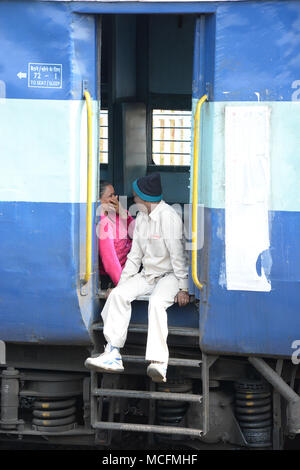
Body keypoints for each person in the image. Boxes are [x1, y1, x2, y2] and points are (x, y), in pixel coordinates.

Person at [85, 173, 189, 383]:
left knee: (157, 303)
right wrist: (120, 285)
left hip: (170, 276)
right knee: (119, 296)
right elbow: (134, 257)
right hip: (147, 274)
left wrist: (184, 287)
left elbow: (178, 257)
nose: (133, 200)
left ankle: (159, 362)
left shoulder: (169, 217)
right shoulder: (142, 218)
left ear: (146, 198)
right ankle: (113, 353)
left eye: (136, 197)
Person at [98, 181, 134, 289]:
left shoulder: (116, 213)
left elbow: (137, 233)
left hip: (131, 267)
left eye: (114, 194)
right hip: (116, 277)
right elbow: (110, 262)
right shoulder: (102, 224)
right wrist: (122, 287)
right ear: (99, 201)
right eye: (110, 196)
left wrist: (122, 213)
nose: (115, 198)